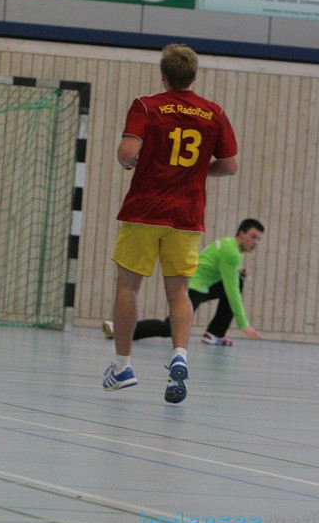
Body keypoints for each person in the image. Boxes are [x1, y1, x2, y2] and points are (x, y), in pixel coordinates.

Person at [102, 44, 238, 403]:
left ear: (163, 74)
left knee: (129, 286)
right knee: (179, 292)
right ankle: (180, 354)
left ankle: (121, 367)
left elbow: (128, 153)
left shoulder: (147, 105)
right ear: (193, 76)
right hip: (187, 216)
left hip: (144, 211)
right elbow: (229, 165)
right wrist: (195, 172)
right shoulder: (214, 113)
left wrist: (127, 161)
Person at [104, 219, 265, 345]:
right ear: (241, 234)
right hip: (195, 285)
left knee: (239, 281)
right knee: (170, 328)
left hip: (204, 285)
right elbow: (232, 292)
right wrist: (243, 323)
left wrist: (239, 274)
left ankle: (215, 333)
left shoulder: (228, 244)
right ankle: (119, 330)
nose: (256, 242)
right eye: (253, 236)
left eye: (258, 239)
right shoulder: (233, 254)